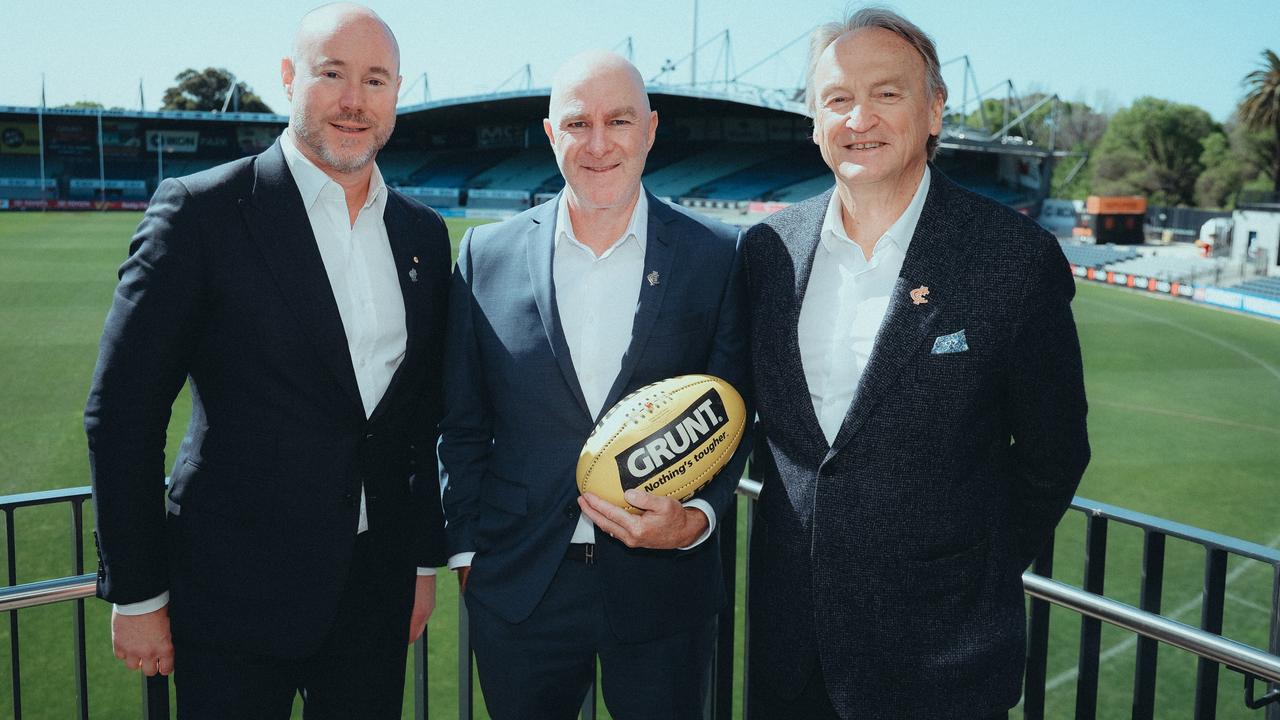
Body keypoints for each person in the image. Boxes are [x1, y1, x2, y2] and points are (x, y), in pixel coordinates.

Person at [84, 4, 450, 716]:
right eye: (332, 73)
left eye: (375, 80)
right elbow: (122, 411)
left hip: (373, 597)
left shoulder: (422, 235)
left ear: (397, 93)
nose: (354, 100)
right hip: (231, 599)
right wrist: (137, 591)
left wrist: (422, 561)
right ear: (289, 78)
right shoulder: (201, 213)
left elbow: (419, 416)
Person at [743, 8, 1090, 719]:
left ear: (935, 110)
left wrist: (976, 577)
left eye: (888, 93)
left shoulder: (1012, 259)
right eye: (837, 99)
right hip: (790, 655)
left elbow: (1055, 453)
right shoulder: (766, 252)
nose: (858, 117)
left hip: (943, 664)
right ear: (813, 122)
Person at [438, 50, 750, 720]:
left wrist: (696, 520)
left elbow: (734, 413)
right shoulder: (485, 257)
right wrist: (469, 554)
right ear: (551, 135)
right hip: (521, 587)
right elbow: (461, 423)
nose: (600, 143)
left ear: (651, 129)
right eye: (578, 123)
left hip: (665, 588)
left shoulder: (716, 255)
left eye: (620, 120)